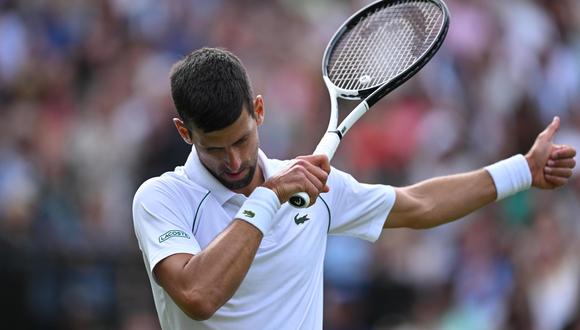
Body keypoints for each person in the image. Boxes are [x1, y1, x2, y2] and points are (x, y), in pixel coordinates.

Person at [132, 47, 576, 330]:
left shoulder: (312, 187)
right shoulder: (161, 199)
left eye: (242, 140)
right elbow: (197, 296)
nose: (233, 161)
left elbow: (418, 204)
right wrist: (269, 197)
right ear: (184, 133)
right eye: (215, 148)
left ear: (260, 111)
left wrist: (521, 171)